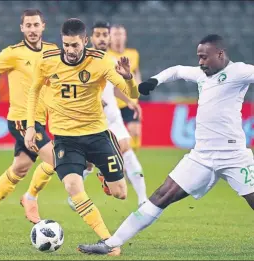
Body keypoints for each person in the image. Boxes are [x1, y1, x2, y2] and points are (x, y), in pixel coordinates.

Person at [77, 34, 254, 255]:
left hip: (233, 155)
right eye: (198, 57)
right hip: (201, 156)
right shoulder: (202, 74)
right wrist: (154, 80)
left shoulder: (240, 72)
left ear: (220, 54)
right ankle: (110, 243)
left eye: (204, 57)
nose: (200, 62)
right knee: (162, 195)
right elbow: (178, 70)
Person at [24, 18, 139, 256]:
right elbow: (34, 91)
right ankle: (108, 241)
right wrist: (30, 126)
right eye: (66, 45)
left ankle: (102, 176)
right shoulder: (47, 62)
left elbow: (132, 93)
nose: (70, 50)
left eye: (75, 45)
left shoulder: (101, 62)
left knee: (120, 193)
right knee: (72, 185)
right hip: (66, 138)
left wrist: (128, 78)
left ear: (85, 41)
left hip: (97, 135)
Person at [0, 9, 58, 235]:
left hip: (41, 118)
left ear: (43, 26)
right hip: (22, 120)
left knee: (20, 168)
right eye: (28, 26)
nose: (32, 30)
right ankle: (30, 197)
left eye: (36, 25)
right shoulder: (13, 53)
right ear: (22, 28)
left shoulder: (53, 51)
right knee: (56, 160)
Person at [90, 21, 147, 206]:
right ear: (91, 38)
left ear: (109, 38)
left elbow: (114, 88)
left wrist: (131, 102)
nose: (101, 39)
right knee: (87, 162)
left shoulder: (112, 62)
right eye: (97, 35)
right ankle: (75, 195)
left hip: (113, 115)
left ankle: (143, 200)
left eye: (104, 35)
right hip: (93, 118)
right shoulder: (85, 61)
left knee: (126, 148)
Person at [109, 24, 142, 151]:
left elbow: (136, 72)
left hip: (129, 101)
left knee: (135, 133)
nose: (118, 38)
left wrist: (138, 86)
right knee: (116, 138)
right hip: (113, 102)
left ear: (125, 36)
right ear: (110, 37)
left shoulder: (133, 54)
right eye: (115, 34)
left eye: (120, 34)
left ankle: (129, 160)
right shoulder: (106, 55)